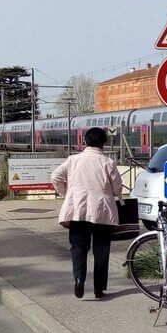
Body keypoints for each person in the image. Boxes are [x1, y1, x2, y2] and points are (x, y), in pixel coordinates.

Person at [51, 127, 123, 299]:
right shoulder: (108, 162)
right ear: (103, 143)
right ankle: (99, 288)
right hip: (102, 211)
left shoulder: (73, 160)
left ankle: (78, 279)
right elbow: (117, 188)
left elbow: (55, 176)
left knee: (78, 247)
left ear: (85, 141)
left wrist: (66, 194)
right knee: (101, 250)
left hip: (78, 209)